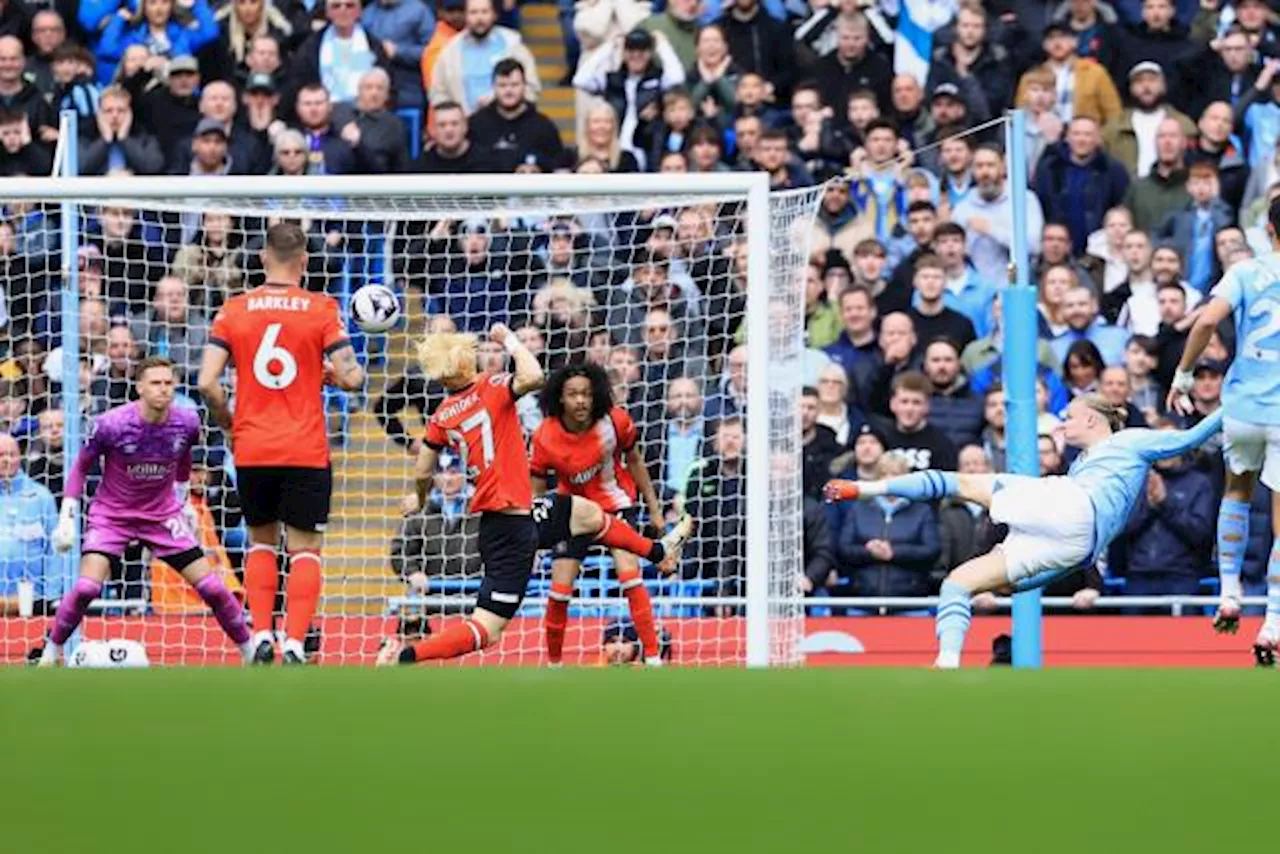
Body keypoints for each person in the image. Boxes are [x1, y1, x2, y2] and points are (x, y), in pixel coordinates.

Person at [824, 395, 1224, 668]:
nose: (1063, 424)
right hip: (1076, 542)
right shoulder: (1083, 463)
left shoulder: (1129, 441)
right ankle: (946, 663)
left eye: (1068, 416)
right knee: (958, 583)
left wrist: (1236, 405)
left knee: (961, 483)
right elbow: (1078, 549)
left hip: (1072, 508)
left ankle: (865, 487)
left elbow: (1192, 438)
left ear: (1090, 418)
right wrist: (1029, 579)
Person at [380, 326, 692, 665]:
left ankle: (657, 549)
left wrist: (420, 499)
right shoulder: (493, 386)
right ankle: (407, 656)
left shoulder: (441, 416)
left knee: (584, 512)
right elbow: (534, 375)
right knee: (487, 629)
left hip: (517, 517)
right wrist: (507, 339)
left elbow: (424, 470)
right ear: (467, 361)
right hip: (509, 531)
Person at [196, 222, 366, 665]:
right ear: (305, 262)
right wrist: (329, 374)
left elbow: (207, 382)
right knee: (306, 548)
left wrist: (232, 424)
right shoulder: (321, 307)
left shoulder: (234, 309)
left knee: (261, 543)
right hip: (306, 447)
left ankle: (262, 636)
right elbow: (353, 377)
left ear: (260, 258)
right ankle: (294, 642)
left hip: (253, 447)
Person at [39, 357, 252, 666]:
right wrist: (68, 515)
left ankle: (250, 653)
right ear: (139, 387)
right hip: (113, 516)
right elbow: (81, 468)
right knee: (86, 587)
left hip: (162, 516)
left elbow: (182, 461)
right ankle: (50, 651)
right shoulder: (111, 424)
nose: (163, 389)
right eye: (155, 383)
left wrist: (182, 503)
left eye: (168, 383)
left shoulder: (188, 422)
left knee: (214, 589)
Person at [1168, 196, 1280, 661]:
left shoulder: (1245, 272)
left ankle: (1229, 591)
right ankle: (1274, 620)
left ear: (1268, 230)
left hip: (1243, 405)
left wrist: (1185, 373)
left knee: (1236, 491)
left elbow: (1208, 319)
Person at [531, 362, 672, 666]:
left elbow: (635, 461)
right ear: (560, 399)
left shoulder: (615, 420)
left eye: (586, 393)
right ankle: (554, 666)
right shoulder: (544, 436)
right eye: (573, 394)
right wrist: (533, 535)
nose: (580, 400)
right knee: (559, 591)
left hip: (616, 503)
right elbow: (537, 489)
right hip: (572, 512)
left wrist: (655, 511)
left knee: (630, 577)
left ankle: (652, 659)